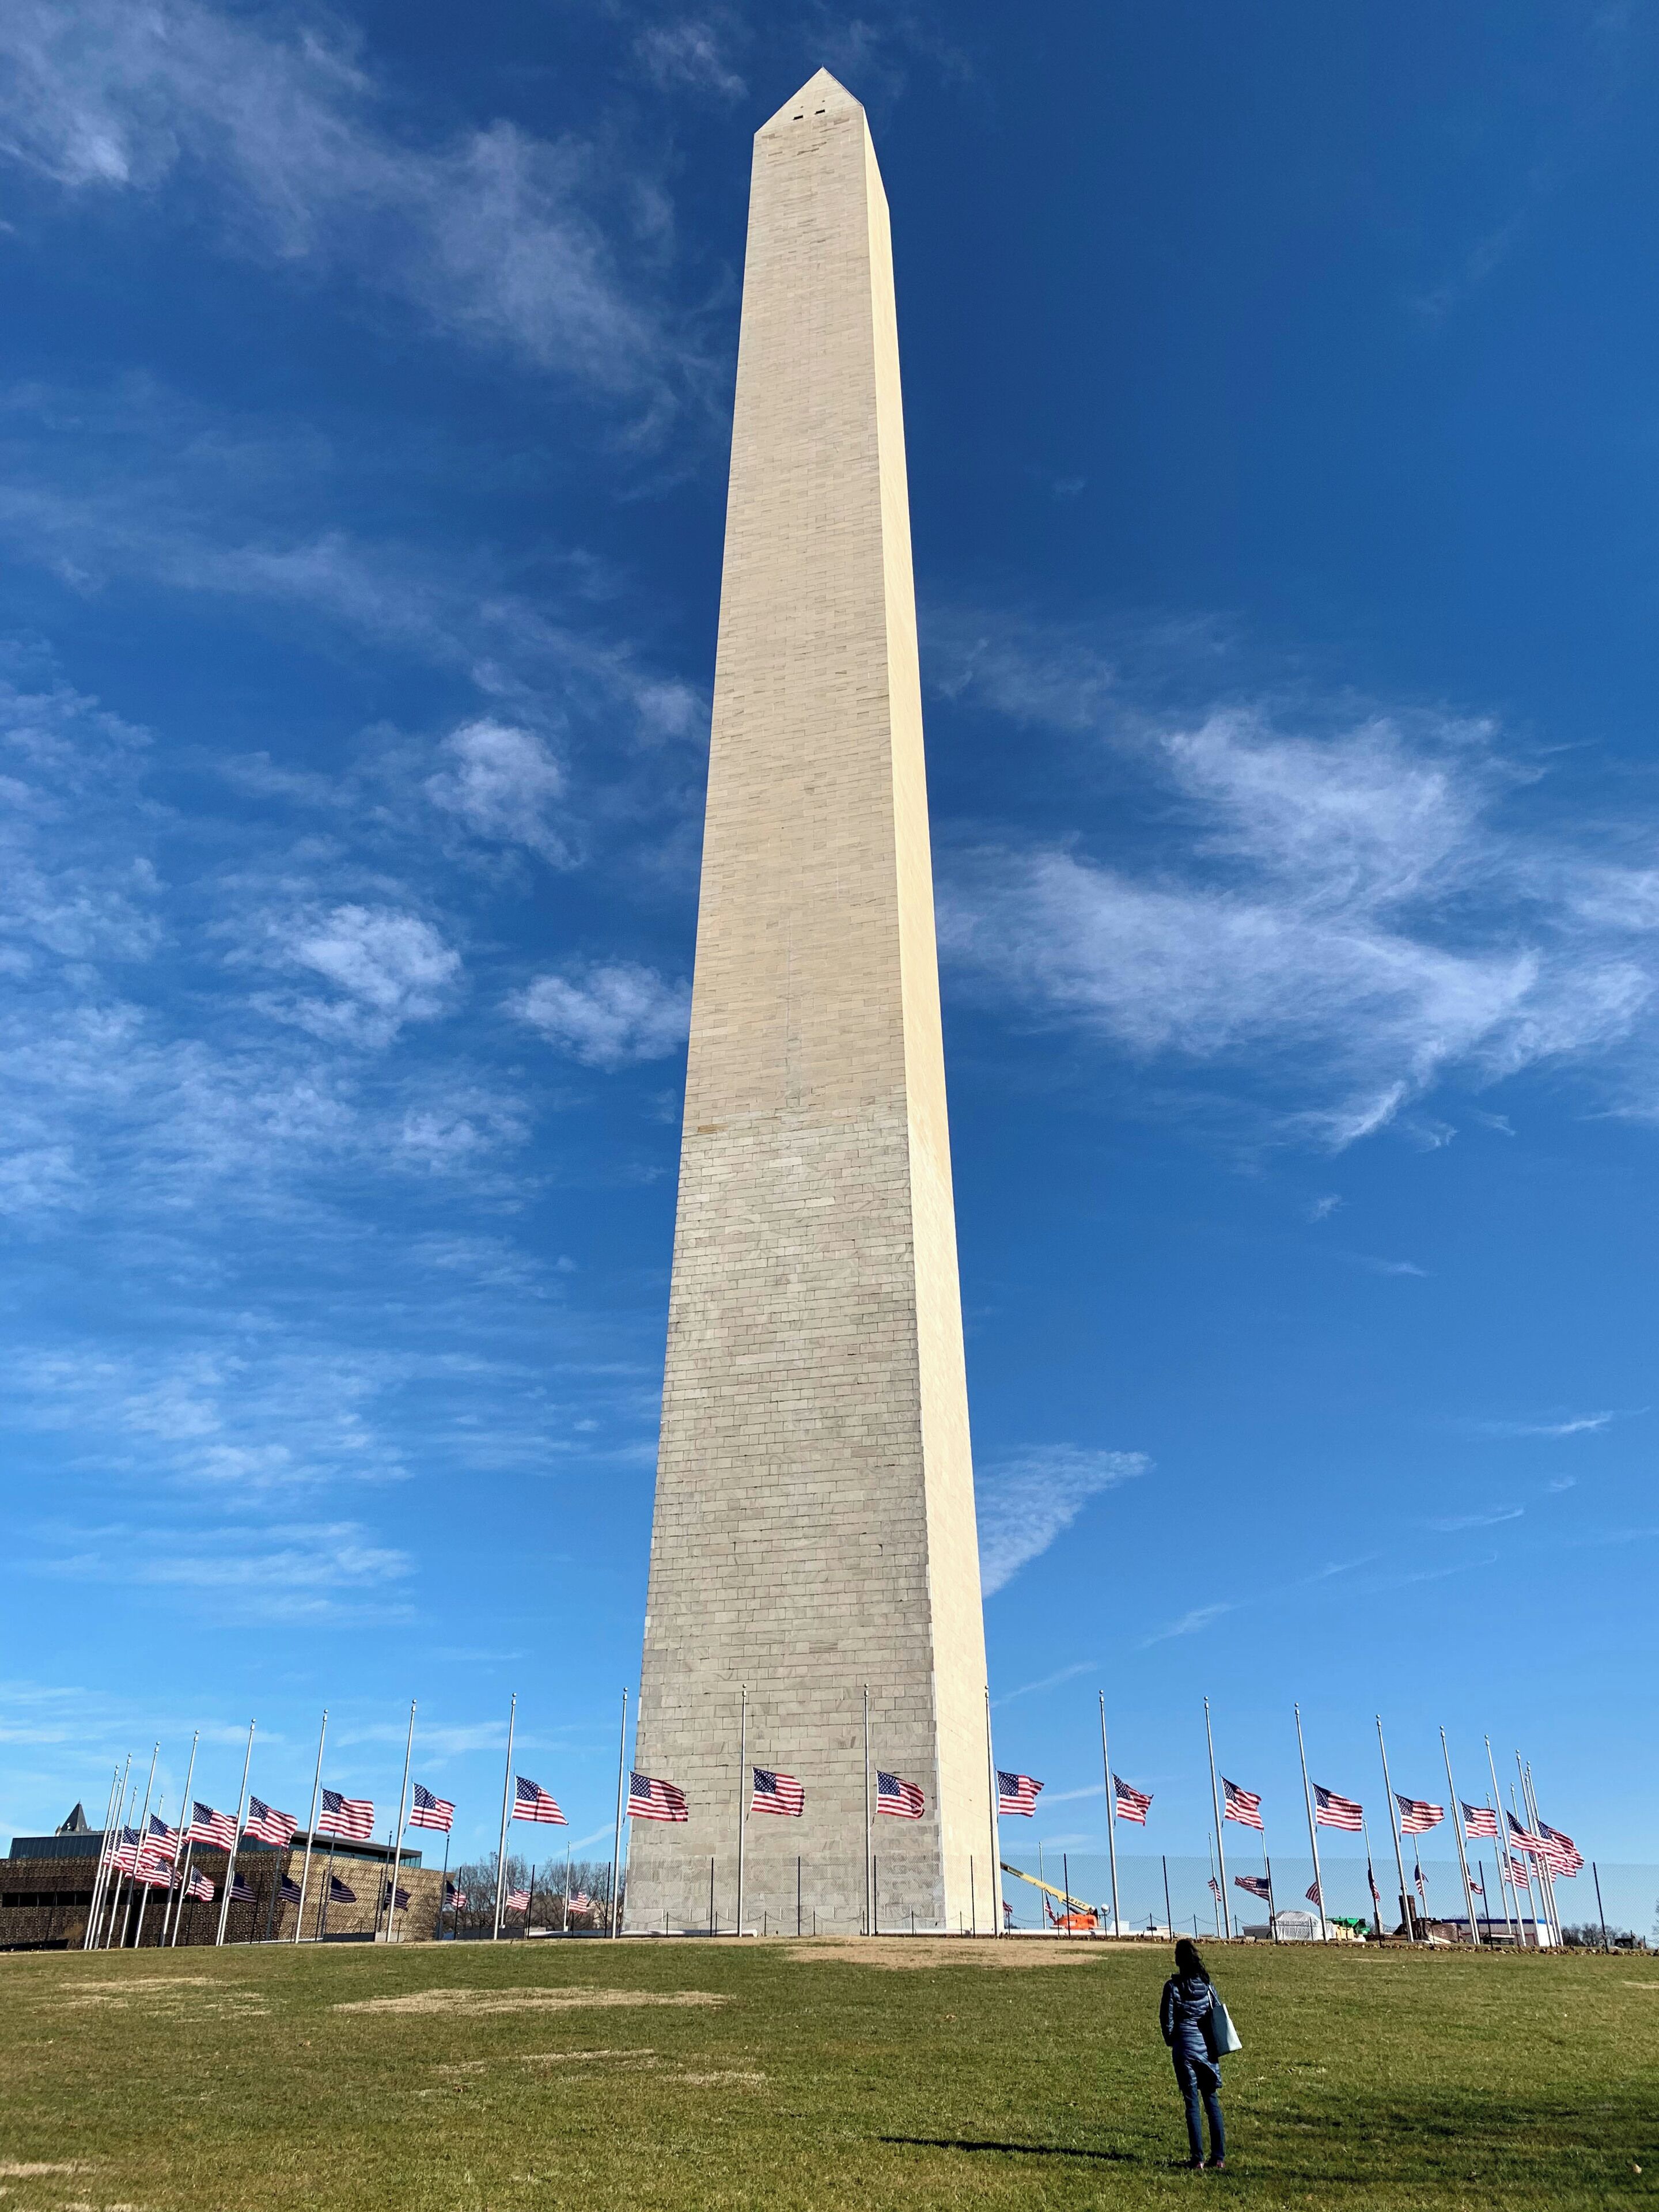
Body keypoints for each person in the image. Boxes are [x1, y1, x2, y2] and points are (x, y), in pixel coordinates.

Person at [1160, 1937, 1227, 2172]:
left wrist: (1173, 2040)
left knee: (1192, 2104)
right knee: (1212, 2102)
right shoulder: (1207, 1986)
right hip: (1208, 2048)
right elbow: (1217, 2011)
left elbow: (1166, 2021)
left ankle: (1197, 2158)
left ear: (1178, 1961)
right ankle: (1218, 2157)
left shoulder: (1172, 1987)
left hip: (1184, 2049)